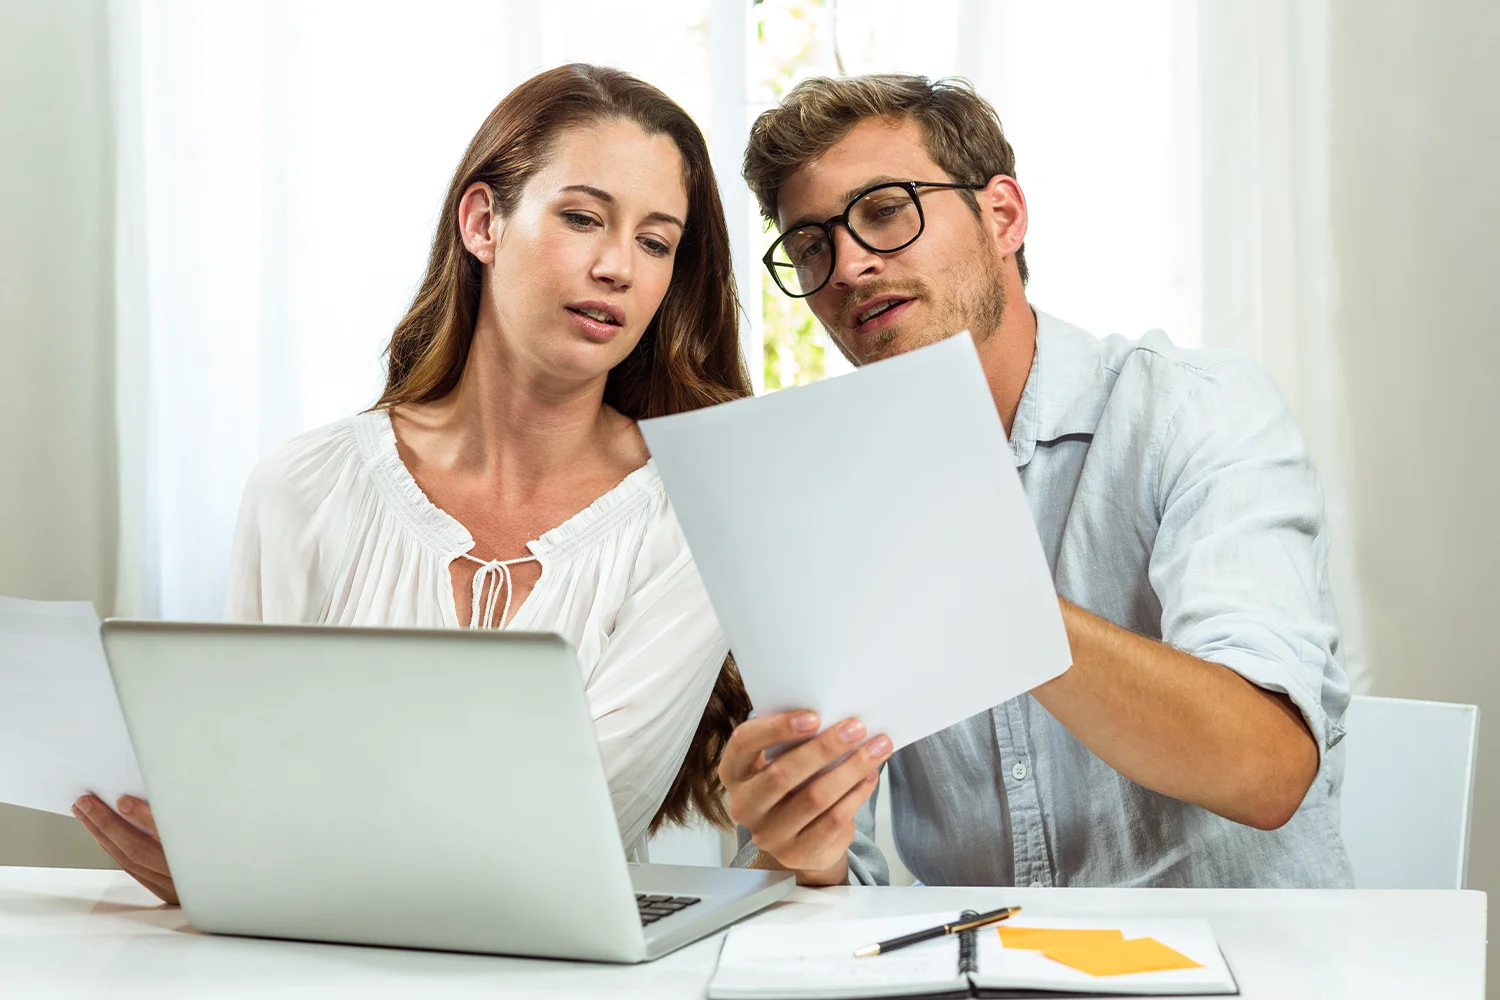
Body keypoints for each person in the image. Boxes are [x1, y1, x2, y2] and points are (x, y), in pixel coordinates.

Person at [72, 63, 752, 904]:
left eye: (656, 242)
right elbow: (243, 772)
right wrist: (228, 849)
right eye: (582, 218)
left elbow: (582, 813)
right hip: (306, 964)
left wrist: (246, 860)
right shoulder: (305, 487)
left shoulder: (695, 511)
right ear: (483, 222)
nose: (618, 267)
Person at [721, 74, 1352, 889]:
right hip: (980, 954)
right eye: (811, 246)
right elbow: (834, 881)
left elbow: (1264, 769)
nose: (847, 265)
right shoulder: (827, 505)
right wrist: (803, 849)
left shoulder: (1195, 409)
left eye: (884, 210)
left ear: (1003, 217)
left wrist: (987, 588)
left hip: (1232, 949)